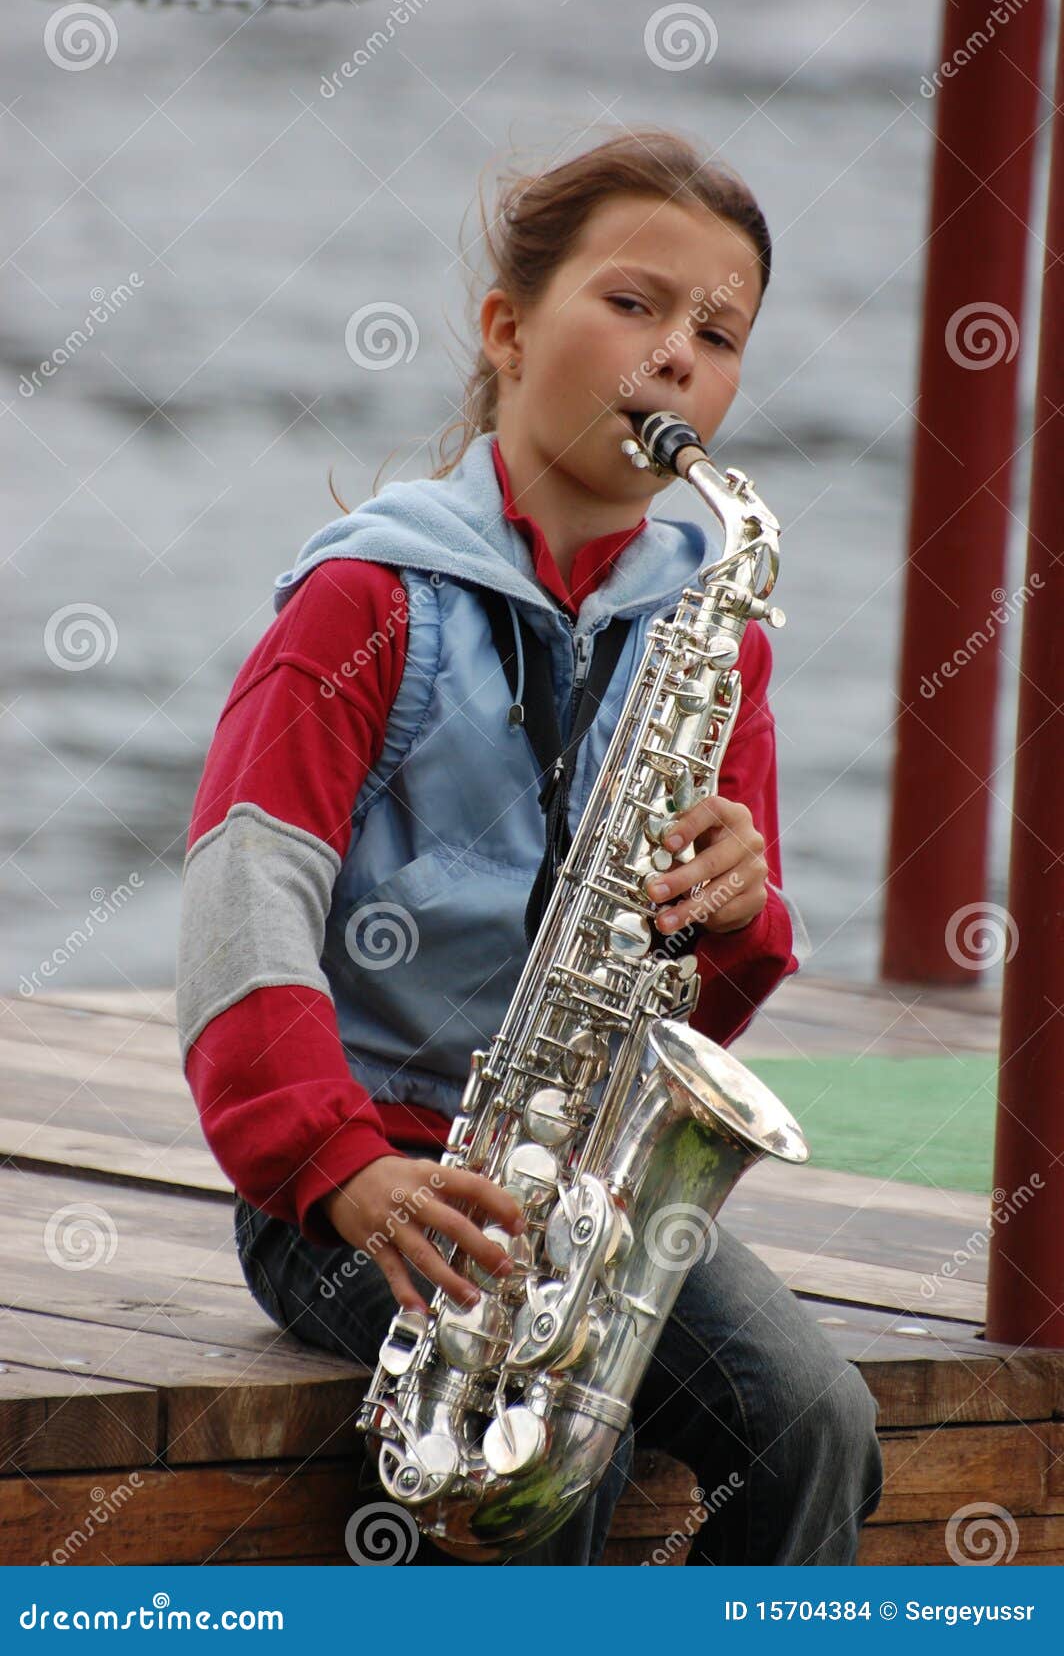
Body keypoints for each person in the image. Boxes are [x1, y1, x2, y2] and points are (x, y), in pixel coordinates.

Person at [176, 126, 883, 1567]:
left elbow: (689, 1020)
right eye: (632, 303)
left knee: (819, 1421)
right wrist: (340, 1164)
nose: (674, 355)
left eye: (718, 335)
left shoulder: (712, 632)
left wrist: (735, 915)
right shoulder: (366, 603)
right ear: (507, 329)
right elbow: (243, 911)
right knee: (557, 1445)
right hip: (350, 1191)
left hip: (579, 1192)